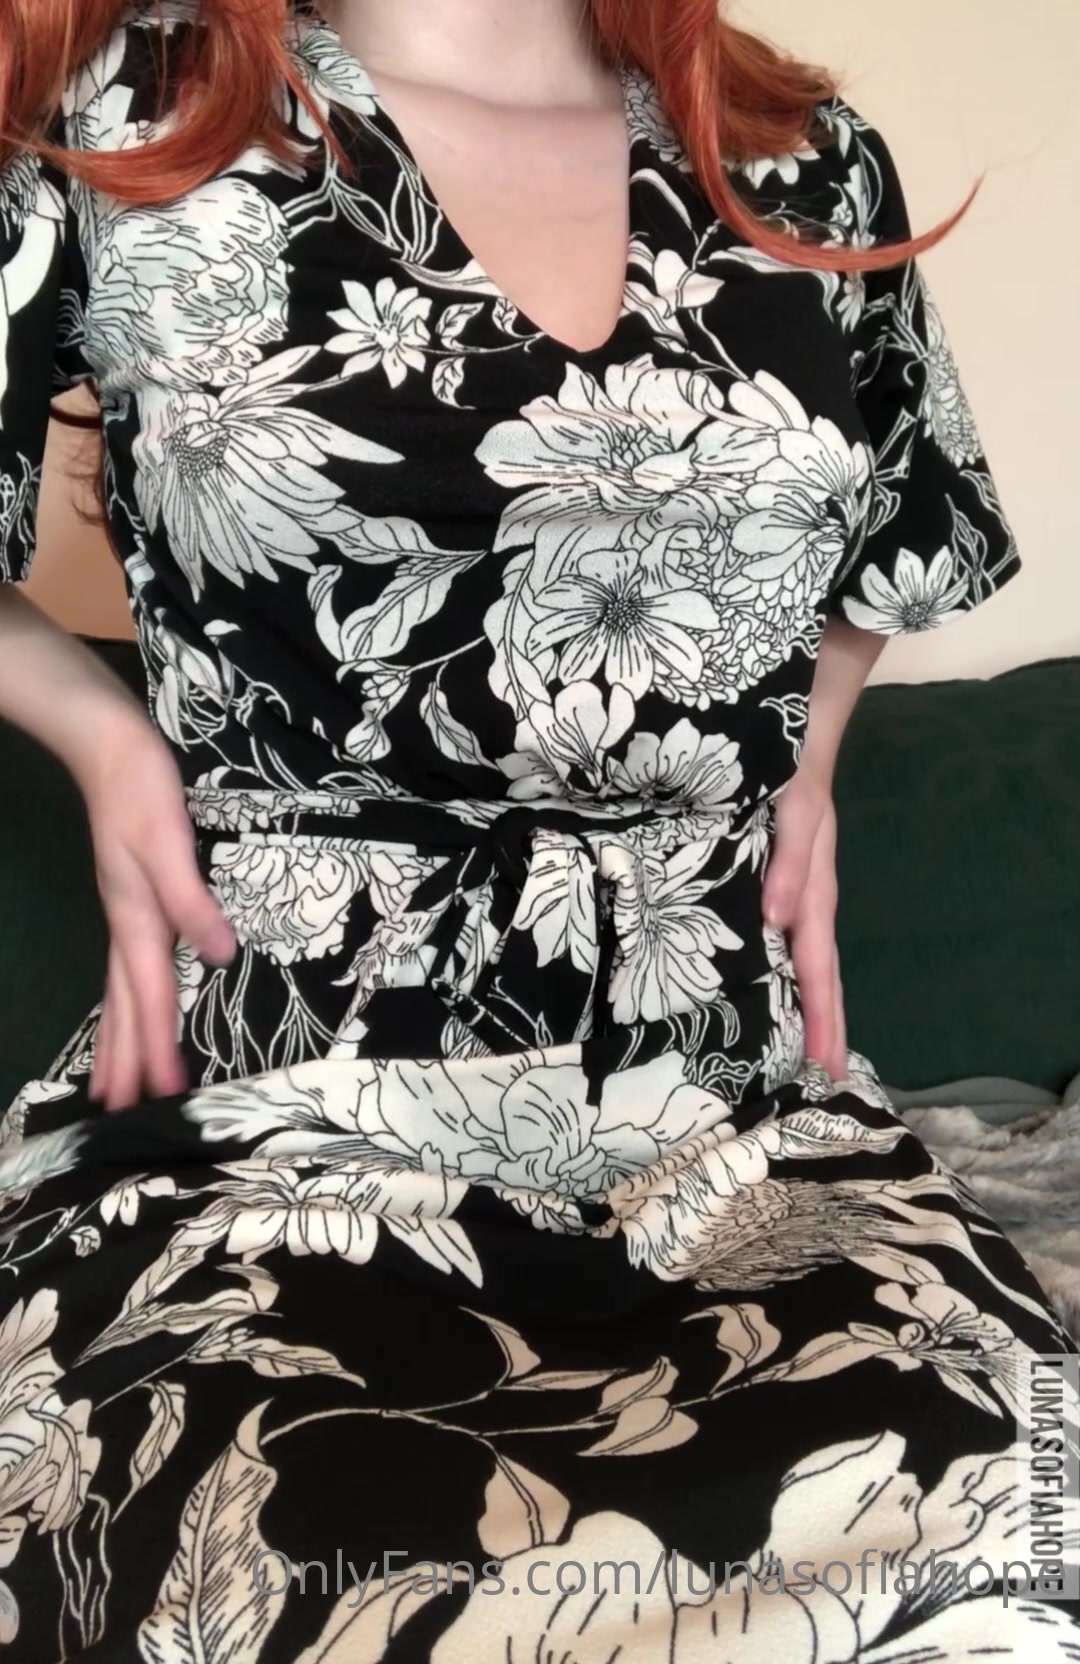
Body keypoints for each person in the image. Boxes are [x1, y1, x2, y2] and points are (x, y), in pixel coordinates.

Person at [0, 0, 1075, 1656]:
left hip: (729, 1103)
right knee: (253, 1565)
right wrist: (99, 733)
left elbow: (900, 526)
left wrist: (799, 754)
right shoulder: (134, 117)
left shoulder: (800, 160)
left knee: (1012, 1518)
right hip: (280, 1104)